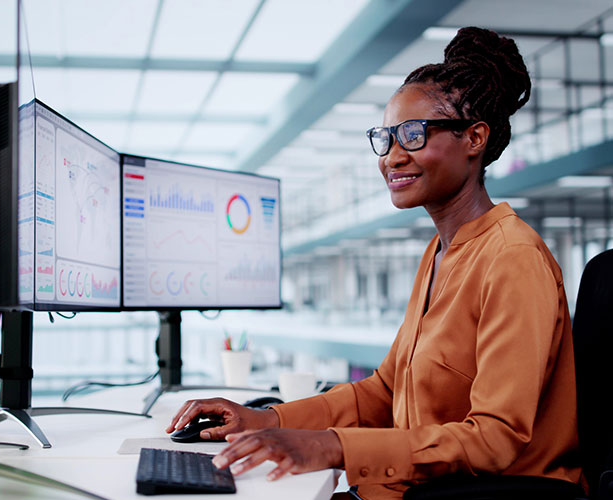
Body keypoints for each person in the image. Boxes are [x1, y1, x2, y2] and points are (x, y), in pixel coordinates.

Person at [165, 27, 583, 499]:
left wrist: (330, 447)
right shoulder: (442, 251)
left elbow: (495, 439)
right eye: (384, 138)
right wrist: (266, 418)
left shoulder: (512, 258)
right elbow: (385, 390)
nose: (392, 157)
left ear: (474, 138)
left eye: (413, 134)